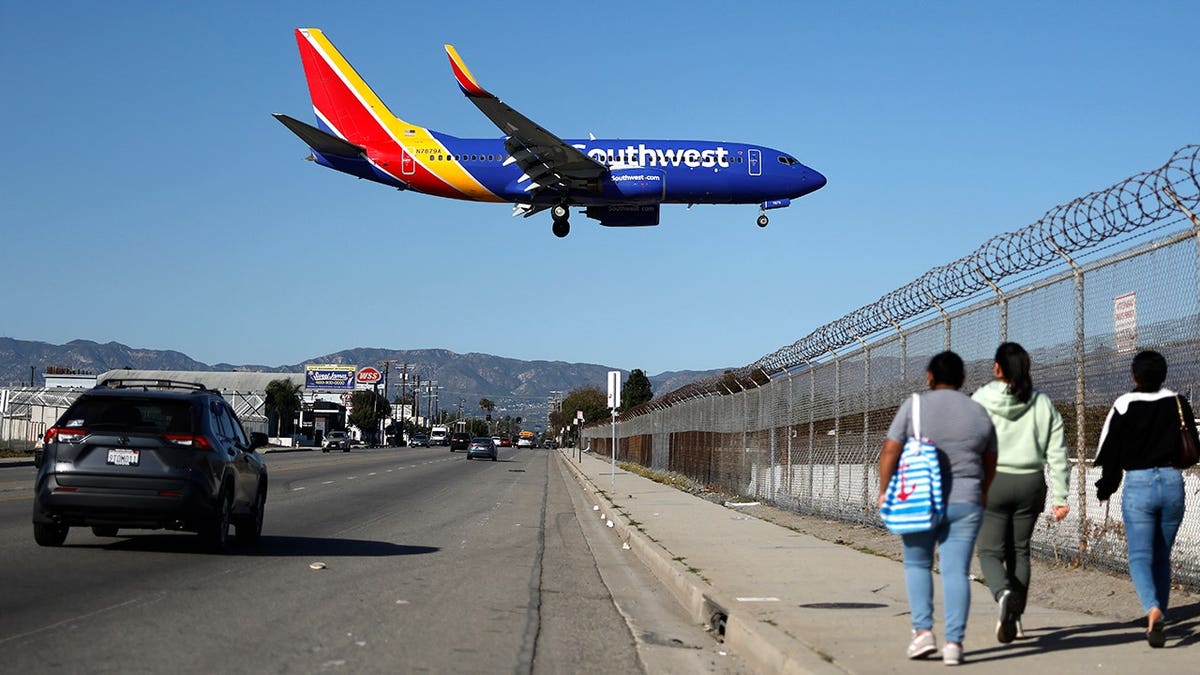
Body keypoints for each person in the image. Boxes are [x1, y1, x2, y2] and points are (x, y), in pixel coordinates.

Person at [878, 351, 997, 666]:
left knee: (917, 565)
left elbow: (890, 450)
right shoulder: (978, 411)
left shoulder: (914, 406)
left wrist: (884, 490)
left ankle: (922, 633)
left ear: (930, 376)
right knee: (956, 571)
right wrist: (982, 490)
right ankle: (955, 643)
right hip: (966, 499)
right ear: (962, 380)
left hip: (918, 500)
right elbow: (990, 458)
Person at [1094, 350, 1197, 648]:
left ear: (1134, 375)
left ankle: (1152, 609)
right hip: (1172, 482)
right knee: (1162, 555)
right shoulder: (1178, 401)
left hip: (1138, 484)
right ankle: (1160, 613)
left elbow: (1111, 453)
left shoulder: (1124, 404)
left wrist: (1106, 488)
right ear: (1164, 374)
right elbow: (1192, 446)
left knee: (1140, 555)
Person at [971, 342, 1071, 644]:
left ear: (997, 368)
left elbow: (970, 441)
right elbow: (1057, 450)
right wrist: (1060, 497)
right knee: (1020, 551)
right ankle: (1014, 616)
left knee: (989, 551)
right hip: (1031, 482)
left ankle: (1002, 594)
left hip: (994, 479)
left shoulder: (982, 398)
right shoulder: (1041, 403)